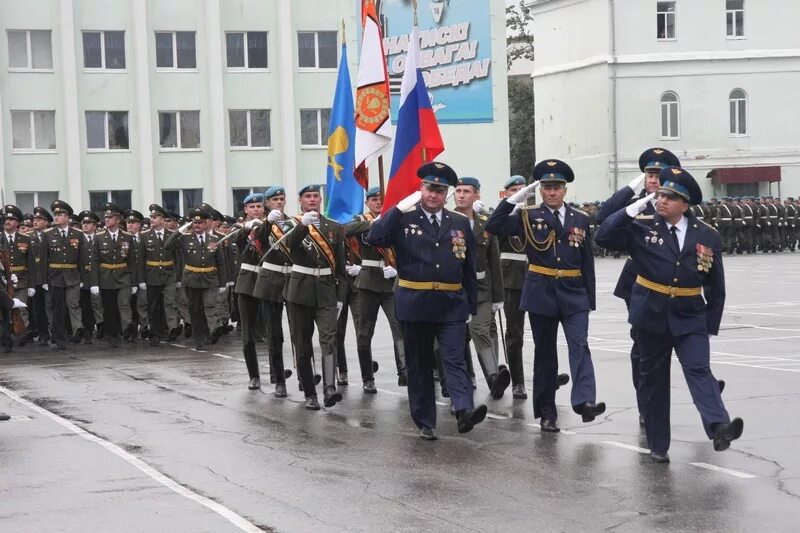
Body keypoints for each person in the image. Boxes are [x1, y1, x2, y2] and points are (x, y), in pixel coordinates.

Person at [595, 166, 744, 462]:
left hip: (690, 316)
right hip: (651, 316)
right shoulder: (642, 228)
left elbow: (716, 284)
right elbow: (603, 235)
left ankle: (719, 428)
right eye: (661, 194)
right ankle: (658, 444)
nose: (662, 200)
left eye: (670, 197)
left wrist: (709, 325)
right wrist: (634, 207)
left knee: (699, 370)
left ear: (684, 205)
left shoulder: (707, 235)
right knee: (654, 382)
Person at [368, 162, 487, 440]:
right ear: (420, 189)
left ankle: (463, 409)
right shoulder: (403, 220)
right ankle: (425, 420)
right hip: (415, 301)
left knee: (455, 359)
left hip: (451, 302)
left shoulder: (458, 222)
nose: (433, 195)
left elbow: (469, 266)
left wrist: (471, 305)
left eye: (439, 190)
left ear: (446, 194)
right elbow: (375, 236)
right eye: (429, 189)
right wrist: (397, 208)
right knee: (419, 364)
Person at [486, 159, 605, 433]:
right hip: (541, 291)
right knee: (546, 355)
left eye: (557, 188)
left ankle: (585, 401)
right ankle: (547, 413)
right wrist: (513, 200)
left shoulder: (581, 219)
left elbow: (587, 261)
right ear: (540, 190)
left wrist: (590, 299)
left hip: (574, 293)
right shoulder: (527, 216)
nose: (552, 193)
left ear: (565, 190)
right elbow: (494, 226)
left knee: (580, 346)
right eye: (547, 188)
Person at [596, 147, 680, 425]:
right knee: (642, 347)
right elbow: (603, 217)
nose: (653, 180)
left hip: (675, 283)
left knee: (684, 339)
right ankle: (646, 403)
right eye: (648, 174)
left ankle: (703, 384)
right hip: (639, 282)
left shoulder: (680, 204)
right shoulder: (638, 204)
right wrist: (634, 188)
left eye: (658, 175)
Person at [282, 185, 348, 410]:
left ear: (321, 200)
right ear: (300, 200)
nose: (312, 200)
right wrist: (303, 226)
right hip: (300, 291)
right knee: (302, 343)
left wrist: (341, 296)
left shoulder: (334, 227)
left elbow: (340, 267)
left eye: (315, 196)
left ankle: (329, 387)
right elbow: (289, 246)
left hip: (327, 290)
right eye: (307, 196)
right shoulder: (291, 225)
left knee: (329, 339)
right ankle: (310, 393)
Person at [452, 177, 510, 399]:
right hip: (454, 289)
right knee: (455, 338)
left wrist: (498, 296)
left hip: (481, 289)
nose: (461, 195)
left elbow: (494, 260)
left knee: (480, 331)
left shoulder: (486, 222)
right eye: (458, 191)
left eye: (467, 191)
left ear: (476, 195)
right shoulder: (448, 219)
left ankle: (494, 379)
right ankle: (458, 380)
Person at [344, 187, 408, 388]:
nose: (378, 202)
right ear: (367, 202)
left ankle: (404, 371)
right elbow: (346, 231)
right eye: (374, 199)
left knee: (399, 327)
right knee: (365, 331)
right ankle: (367, 378)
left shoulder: (395, 218)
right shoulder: (361, 219)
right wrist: (373, 222)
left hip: (390, 282)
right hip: (368, 281)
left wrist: (398, 270)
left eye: (381, 199)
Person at [163, 208, 227, 350]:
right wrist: (181, 230)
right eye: (194, 222)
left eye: (200, 223)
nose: (197, 225)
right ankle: (199, 339)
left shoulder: (214, 239)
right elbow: (168, 246)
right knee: (195, 310)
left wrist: (223, 282)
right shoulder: (185, 238)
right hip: (192, 279)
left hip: (210, 278)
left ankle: (211, 332)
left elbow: (220, 263)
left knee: (210, 306)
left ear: (206, 224)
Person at [252, 186, 293, 392]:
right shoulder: (262, 224)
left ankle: (304, 377)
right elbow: (257, 240)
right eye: (275, 199)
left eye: (281, 199)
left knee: (298, 331)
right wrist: (268, 222)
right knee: (275, 333)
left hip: (292, 278)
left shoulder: (293, 222)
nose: (279, 202)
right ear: (267, 203)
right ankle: (279, 379)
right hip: (270, 280)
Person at [233, 193, 271, 392]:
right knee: (248, 333)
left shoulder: (271, 224)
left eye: (259, 206)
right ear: (245, 210)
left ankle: (276, 371)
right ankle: (254, 375)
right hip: (247, 281)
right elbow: (239, 242)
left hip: (267, 281)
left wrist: (267, 224)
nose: (256, 209)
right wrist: (247, 228)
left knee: (272, 330)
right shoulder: (239, 228)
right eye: (252, 207)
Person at [41, 201, 89, 350]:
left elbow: (83, 258)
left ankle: (77, 330)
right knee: (58, 309)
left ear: (67, 217)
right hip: (54, 276)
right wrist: (43, 279)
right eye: (55, 214)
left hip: (73, 275)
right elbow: (43, 259)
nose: (56, 217)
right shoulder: (47, 234)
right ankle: (58, 338)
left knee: (73, 304)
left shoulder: (78, 234)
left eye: (60, 214)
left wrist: (83, 278)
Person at [89, 203, 137, 348]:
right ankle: (112, 335)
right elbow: (95, 261)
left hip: (123, 276)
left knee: (124, 303)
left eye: (110, 217)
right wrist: (94, 283)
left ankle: (128, 328)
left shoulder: (127, 237)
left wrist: (134, 282)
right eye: (106, 217)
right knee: (109, 308)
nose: (107, 220)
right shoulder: (98, 237)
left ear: (117, 220)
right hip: (106, 276)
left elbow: (132, 261)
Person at [137, 204, 179, 346]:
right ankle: (155, 332)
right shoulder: (144, 236)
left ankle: (172, 329)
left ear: (162, 219)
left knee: (170, 303)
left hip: (169, 273)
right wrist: (141, 279)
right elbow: (141, 260)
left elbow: (178, 258)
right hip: (152, 274)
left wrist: (178, 277)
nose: (152, 220)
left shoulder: (172, 235)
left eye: (155, 217)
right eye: (151, 217)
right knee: (153, 305)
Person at [2, 204, 36, 346]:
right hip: (3, 280)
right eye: (6, 219)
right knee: (4, 309)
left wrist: (32, 285)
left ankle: (22, 335)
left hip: (21, 279)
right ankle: (5, 336)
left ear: (17, 222)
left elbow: (31, 264)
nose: (7, 221)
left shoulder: (25, 239)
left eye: (11, 219)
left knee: (21, 309)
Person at [78, 210, 103, 343]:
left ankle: (100, 326)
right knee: (84, 304)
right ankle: (87, 330)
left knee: (98, 303)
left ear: (94, 226)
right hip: (83, 276)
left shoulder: (100, 238)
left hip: (97, 276)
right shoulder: (78, 239)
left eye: (89, 223)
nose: (85, 225)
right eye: (84, 223)